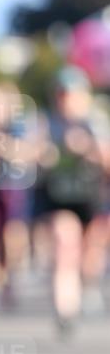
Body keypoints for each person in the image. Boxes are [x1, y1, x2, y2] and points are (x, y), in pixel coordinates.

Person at [32, 67, 109, 334]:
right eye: (62, 94)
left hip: (90, 199)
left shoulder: (95, 122)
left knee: (89, 257)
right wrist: (44, 156)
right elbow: (29, 156)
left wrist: (89, 149)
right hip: (57, 199)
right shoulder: (45, 123)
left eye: (71, 94)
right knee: (65, 242)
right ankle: (65, 310)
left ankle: (86, 286)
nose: (66, 100)